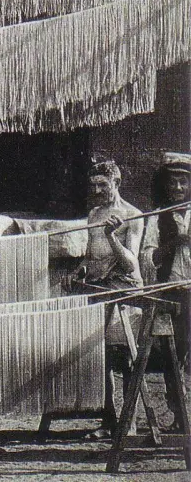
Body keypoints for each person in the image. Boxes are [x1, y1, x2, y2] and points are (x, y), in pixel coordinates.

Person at [66, 160, 144, 440]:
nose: (97, 190)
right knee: (102, 359)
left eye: (103, 185)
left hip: (125, 291)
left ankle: (129, 423)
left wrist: (112, 236)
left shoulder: (133, 215)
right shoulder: (94, 213)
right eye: (93, 185)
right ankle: (109, 420)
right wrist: (79, 270)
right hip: (99, 291)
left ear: (116, 183)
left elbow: (130, 264)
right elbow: (91, 254)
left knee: (126, 359)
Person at [140, 152, 191, 431]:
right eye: (173, 183)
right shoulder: (157, 217)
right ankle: (179, 418)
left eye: (184, 182)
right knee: (174, 357)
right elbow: (148, 260)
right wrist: (174, 243)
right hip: (172, 296)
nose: (178, 188)